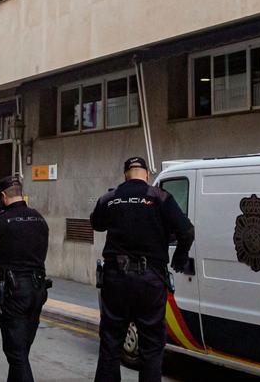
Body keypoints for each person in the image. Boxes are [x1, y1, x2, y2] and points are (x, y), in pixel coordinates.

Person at [91, 157, 194, 382]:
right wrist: (180, 256)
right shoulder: (160, 197)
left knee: (110, 345)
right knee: (152, 348)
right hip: (150, 281)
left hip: (115, 281)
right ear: (146, 174)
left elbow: (96, 223)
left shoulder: (109, 198)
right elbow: (187, 231)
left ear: (125, 175)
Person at [0, 175, 49, 382]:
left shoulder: (0, 222)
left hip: (14, 291)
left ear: (2, 196)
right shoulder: (39, 219)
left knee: (16, 355)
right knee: (21, 351)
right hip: (38, 289)